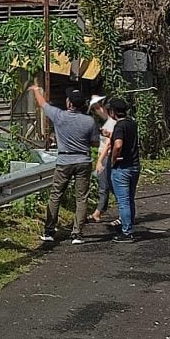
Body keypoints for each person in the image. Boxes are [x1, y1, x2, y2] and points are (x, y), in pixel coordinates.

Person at [31, 85, 100, 245]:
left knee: (56, 194)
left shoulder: (59, 116)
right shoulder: (89, 121)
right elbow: (95, 142)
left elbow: (42, 104)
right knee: (81, 198)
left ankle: (49, 231)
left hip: (64, 161)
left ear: (69, 103)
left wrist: (35, 90)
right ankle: (77, 234)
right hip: (83, 160)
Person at [109, 97, 141, 242]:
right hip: (134, 165)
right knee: (130, 199)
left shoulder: (119, 126)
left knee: (123, 201)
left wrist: (114, 159)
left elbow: (118, 144)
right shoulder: (132, 123)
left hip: (122, 167)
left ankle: (127, 232)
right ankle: (130, 226)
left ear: (113, 112)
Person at [89, 95, 117, 223]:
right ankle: (99, 210)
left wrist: (100, 160)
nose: (96, 112)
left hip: (106, 157)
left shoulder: (111, 123)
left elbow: (108, 144)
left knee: (105, 185)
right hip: (105, 157)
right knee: (108, 185)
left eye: (96, 108)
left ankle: (99, 212)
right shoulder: (109, 121)